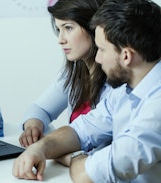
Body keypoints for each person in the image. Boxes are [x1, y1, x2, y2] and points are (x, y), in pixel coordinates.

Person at [13, 0, 161, 182]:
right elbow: (81, 130)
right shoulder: (124, 91)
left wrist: (73, 156)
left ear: (126, 56)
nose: (97, 58)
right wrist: (40, 147)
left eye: (101, 49)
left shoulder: (156, 108)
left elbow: (86, 175)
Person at [19, 0, 111, 148]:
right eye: (58, 29)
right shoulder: (75, 71)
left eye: (68, 28)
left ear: (94, 27)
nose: (61, 40)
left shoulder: (118, 77)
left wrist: (58, 151)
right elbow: (41, 108)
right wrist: (33, 126)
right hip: (72, 167)